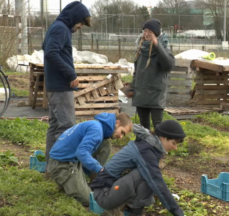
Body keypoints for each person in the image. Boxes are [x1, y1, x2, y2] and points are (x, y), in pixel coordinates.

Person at [90, 120, 186, 216]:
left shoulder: (149, 145)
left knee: (149, 174)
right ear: (163, 138)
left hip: (112, 189)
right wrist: (178, 212)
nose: (175, 148)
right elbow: (157, 182)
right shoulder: (145, 150)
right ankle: (135, 213)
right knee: (148, 176)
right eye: (173, 143)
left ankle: (130, 210)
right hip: (105, 195)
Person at [42, 1, 92, 174]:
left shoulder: (56, 27)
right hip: (61, 87)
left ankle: (51, 168)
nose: (79, 27)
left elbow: (45, 48)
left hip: (55, 86)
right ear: (74, 18)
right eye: (80, 22)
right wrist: (70, 74)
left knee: (55, 127)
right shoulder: (61, 29)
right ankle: (60, 171)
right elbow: (50, 53)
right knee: (66, 128)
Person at [48, 112, 133, 207]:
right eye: (122, 132)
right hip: (62, 165)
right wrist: (100, 169)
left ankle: (95, 182)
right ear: (117, 123)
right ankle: (69, 183)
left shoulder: (97, 126)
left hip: (72, 160)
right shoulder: (96, 130)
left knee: (105, 145)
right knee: (90, 201)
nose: (121, 137)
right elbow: (81, 153)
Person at [127, 19, 175, 130]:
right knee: (143, 127)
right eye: (145, 31)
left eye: (150, 31)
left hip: (156, 94)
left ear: (156, 33)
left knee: (158, 127)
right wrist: (132, 87)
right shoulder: (141, 48)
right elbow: (137, 71)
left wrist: (157, 45)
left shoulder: (163, 48)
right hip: (141, 93)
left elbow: (168, 65)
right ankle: (144, 147)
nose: (146, 34)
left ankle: (157, 147)